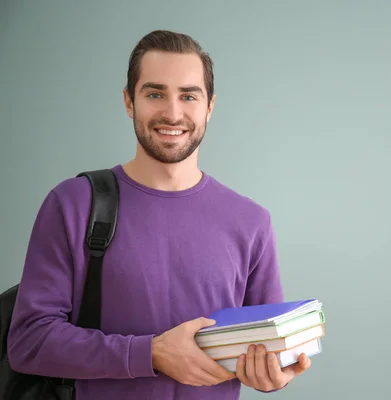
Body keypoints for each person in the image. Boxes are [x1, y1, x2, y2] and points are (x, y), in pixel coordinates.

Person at [7, 29, 311, 399]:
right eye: (154, 94)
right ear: (128, 102)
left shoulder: (251, 222)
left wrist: (272, 374)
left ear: (210, 106)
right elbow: (28, 342)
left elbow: (265, 349)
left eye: (188, 96)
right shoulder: (73, 203)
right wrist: (151, 353)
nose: (172, 112)